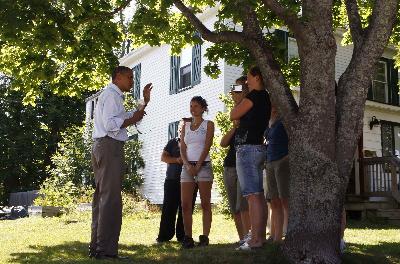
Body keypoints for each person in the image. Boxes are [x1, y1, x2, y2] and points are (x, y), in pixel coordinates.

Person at [89, 66, 152, 260]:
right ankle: (105, 250)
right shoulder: (111, 95)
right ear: (117, 78)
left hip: (104, 146)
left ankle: (98, 248)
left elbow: (124, 118)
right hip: (109, 147)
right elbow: (110, 125)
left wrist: (143, 104)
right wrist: (134, 117)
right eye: (129, 77)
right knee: (111, 199)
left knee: (103, 197)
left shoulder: (113, 96)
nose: (132, 81)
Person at [231, 66, 271, 250]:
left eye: (248, 77)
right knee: (258, 196)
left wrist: (240, 98)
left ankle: (255, 239)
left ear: (257, 77)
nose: (246, 81)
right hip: (258, 147)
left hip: (247, 149)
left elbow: (234, 114)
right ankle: (259, 238)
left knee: (252, 197)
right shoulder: (266, 97)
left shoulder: (254, 96)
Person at [180, 96, 215, 249]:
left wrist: (198, 165)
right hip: (187, 167)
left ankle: (205, 237)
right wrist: (187, 165)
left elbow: (207, 145)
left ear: (202, 108)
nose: (192, 109)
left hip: (204, 165)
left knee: (205, 203)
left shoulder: (209, 124)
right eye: (191, 106)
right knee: (186, 204)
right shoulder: (185, 125)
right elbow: (182, 147)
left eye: (195, 106)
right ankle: (188, 237)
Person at [156, 120, 198, 243]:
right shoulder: (173, 142)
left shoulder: (195, 143)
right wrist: (177, 160)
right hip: (172, 180)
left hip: (190, 181)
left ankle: (184, 236)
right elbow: (163, 157)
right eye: (181, 128)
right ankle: (164, 237)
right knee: (168, 208)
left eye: (186, 127)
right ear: (179, 129)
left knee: (187, 208)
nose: (183, 130)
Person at [220, 78, 251, 245]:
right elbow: (223, 143)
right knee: (235, 207)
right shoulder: (236, 116)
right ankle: (242, 239)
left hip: (245, 164)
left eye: (237, 90)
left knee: (243, 205)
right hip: (230, 165)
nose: (233, 94)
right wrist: (234, 127)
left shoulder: (251, 110)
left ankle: (249, 237)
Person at [265, 105, 289, 243]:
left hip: (282, 161)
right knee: (274, 200)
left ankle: (289, 234)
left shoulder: (283, 121)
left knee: (285, 199)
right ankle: (277, 237)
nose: (272, 107)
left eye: (275, 104)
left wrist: (287, 158)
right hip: (269, 162)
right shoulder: (269, 123)